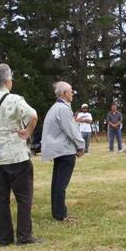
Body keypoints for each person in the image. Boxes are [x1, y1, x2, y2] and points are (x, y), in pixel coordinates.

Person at [0, 64, 39, 246]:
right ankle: (24, 236)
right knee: (24, 197)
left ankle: (4, 238)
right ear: (7, 81)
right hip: (15, 155)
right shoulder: (14, 99)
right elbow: (33, 115)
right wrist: (28, 132)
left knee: (2, 197)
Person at [42, 81, 84, 223]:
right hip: (65, 150)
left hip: (58, 150)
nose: (72, 93)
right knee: (61, 183)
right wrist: (80, 145)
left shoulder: (55, 107)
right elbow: (71, 130)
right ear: (65, 94)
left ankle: (57, 211)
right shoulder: (64, 109)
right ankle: (60, 214)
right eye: (71, 91)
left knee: (56, 182)